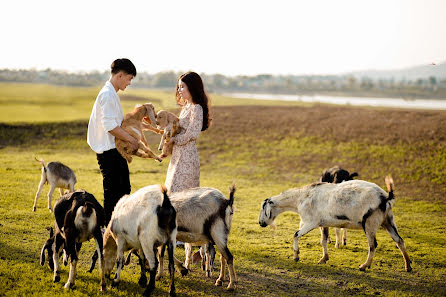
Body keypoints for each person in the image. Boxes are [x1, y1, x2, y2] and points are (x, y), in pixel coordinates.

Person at [87, 58, 139, 225]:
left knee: (123, 191)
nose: (130, 83)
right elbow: (110, 126)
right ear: (120, 75)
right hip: (109, 152)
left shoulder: (110, 93)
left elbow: (117, 122)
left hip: (114, 150)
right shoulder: (108, 95)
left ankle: (118, 231)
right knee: (114, 195)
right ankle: (108, 235)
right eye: (130, 78)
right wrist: (131, 139)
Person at [165, 71, 211, 193]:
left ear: (192, 87)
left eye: (182, 86)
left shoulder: (196, 108)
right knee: (171, 190)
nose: (179, 90)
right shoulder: (186, 106)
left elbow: (192, 134)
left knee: (181, 194)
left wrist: (174, 140)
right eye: (179, 87)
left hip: (187, 157)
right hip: (178, 154)